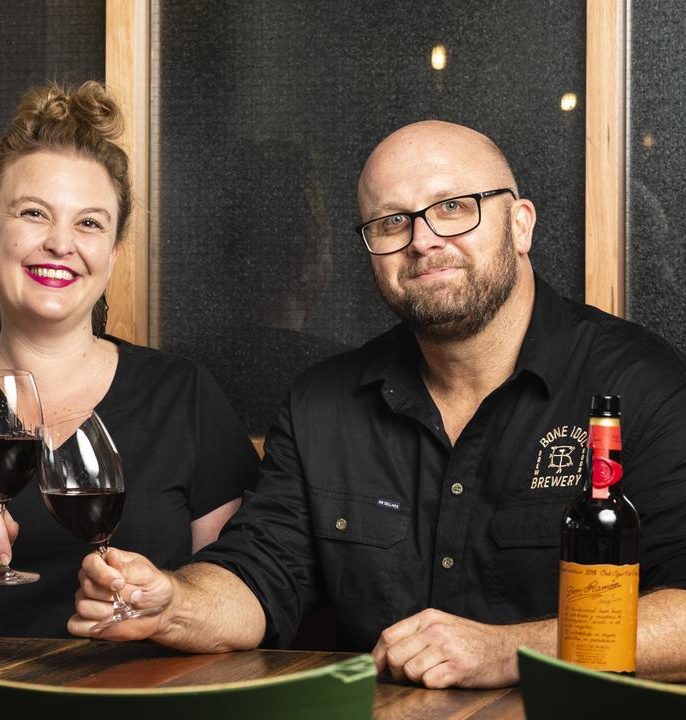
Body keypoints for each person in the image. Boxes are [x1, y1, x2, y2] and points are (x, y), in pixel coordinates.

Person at [69, 120, 686, 687]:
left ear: (520, 224)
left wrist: (512, 650)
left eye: (452, 208)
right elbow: (258, 577)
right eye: (391, 222)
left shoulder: (639, 386)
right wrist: (172, 603)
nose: (422, 240)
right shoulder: (324, 405)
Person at [0, 81, 258, 637]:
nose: (61, 244)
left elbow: (235, 583)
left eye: (89, 222)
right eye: (34, 214)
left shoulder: (181, 393)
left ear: (112, 255)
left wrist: (173, 600)